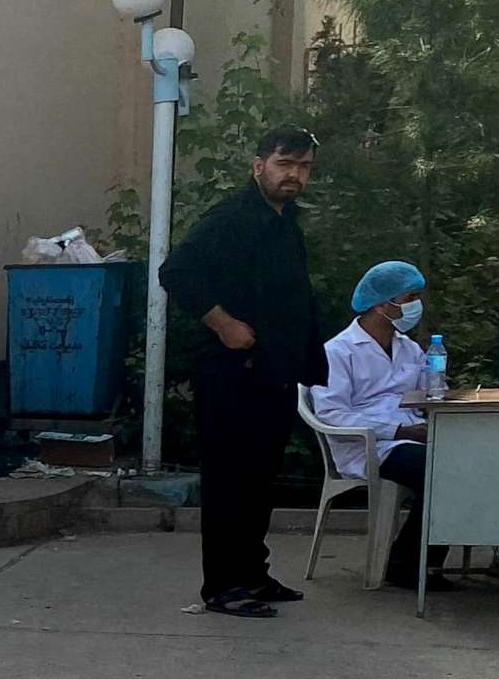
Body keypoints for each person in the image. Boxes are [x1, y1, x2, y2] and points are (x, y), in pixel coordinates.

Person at [160, 125, 327, 617]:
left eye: (303, 167)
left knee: (259, 481)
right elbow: (177, 272)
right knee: (230, 479)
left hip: (273, 371)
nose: (294, 175)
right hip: (230, 371)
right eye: (285, 164)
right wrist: (224, 323)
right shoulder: (231, 217)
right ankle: (224, 586)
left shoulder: (285, 222)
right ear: (259, 166)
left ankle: (253, 574)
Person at [318, 260, 454, 592]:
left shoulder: (410, 349)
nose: (415, 306)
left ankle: (421, 562)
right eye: (410, 297)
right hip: (367, 446)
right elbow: (332, 413)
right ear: (382, 304)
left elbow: (430, 394)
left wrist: (436, 392)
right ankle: (407, 564)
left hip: (413, 436)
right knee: (439, 471)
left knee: (464, 465)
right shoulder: (338, 351)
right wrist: (400, 432)